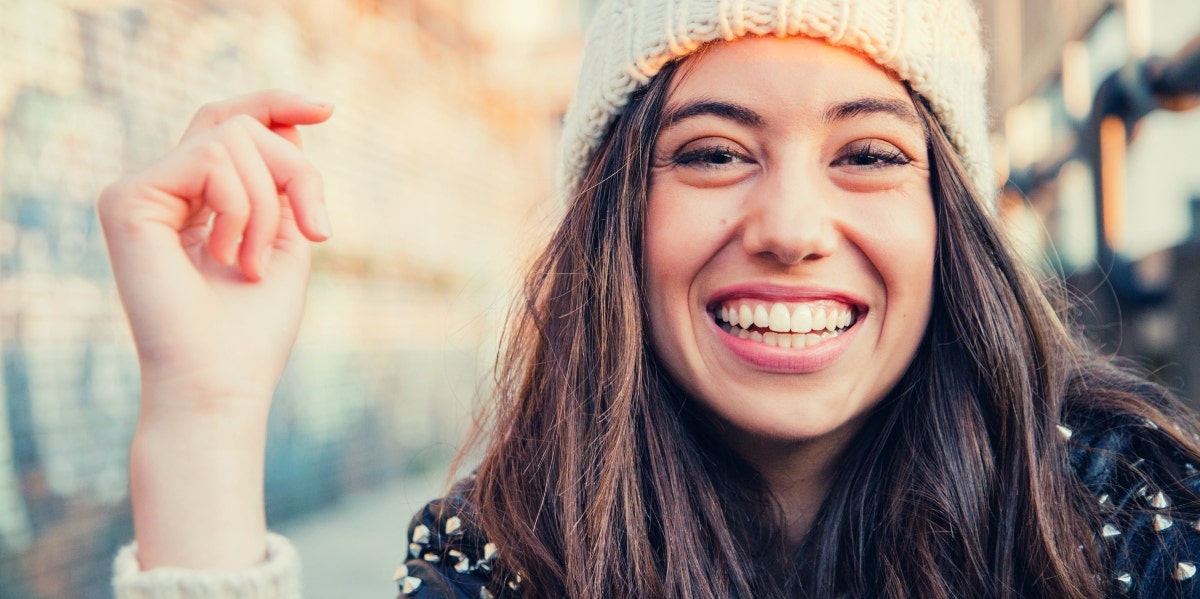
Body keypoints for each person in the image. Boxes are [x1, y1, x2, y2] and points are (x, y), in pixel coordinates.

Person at [100, 0, 1200, 597]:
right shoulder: (504, 557)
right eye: (715, 153)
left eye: (868, 152)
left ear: (948, 219)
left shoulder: (1122, 517)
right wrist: (203, 414)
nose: (790, 227)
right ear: (616, 216)